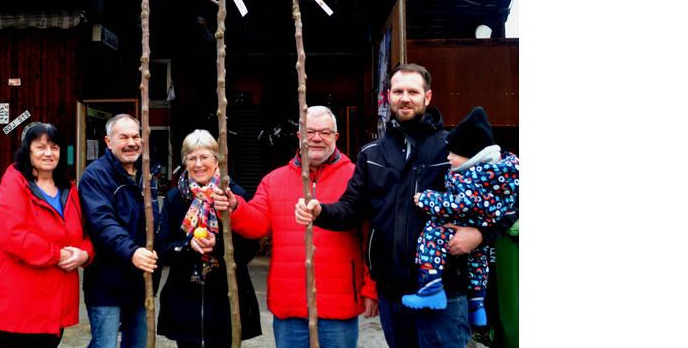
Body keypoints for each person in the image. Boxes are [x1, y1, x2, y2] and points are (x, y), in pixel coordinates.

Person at [295, 64, 514, 348]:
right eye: (398, 91)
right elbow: (350, 210)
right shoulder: (372, 154)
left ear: (428, 96)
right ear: (388, 96)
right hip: (392, 294)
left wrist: (481, 235)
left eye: (413, 91)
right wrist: (320, 211)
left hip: (446, 292)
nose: (405, 98)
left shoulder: (454, 149)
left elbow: (507, 198)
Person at [213, 106, 378, 348]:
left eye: (325, 132)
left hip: (339, 304)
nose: (317, 138)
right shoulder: (274, 180)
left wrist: (371, 289)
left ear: (336, 137)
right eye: (310, 132)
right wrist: (235, 206)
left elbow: (371, 239)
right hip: (289, 303)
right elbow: (257, 224)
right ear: (299, 136)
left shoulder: (357, 178)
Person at [400, 106, 519, 329]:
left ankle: (431, 288)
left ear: (472, 157)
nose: (448, 157)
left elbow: (458, 204)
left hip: (458, 227)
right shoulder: (498, 174)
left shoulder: (473, 178)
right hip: (478, 233)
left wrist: (426, 199)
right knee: (478, 261)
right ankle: (477, 306)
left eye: (453, 154)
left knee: (431, 235)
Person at [0, 122, 94, 348]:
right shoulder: (15, 183)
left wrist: (85, 255)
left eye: (54, 147)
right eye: (41, 147)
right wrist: (57, 255)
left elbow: (86, 234)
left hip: (56, 303)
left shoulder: (68, 189)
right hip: (20, 303)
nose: (49, 153)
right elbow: (11, 235)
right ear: (27, 150)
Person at [156, 130, 262, 348]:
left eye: (204, 157)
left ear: (217, 160)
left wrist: (219, 245)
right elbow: (163, 248)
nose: (198, 164)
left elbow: (250, 248)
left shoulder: (233, 195)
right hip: (185, 302)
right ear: (184, 162)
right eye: (191, 158)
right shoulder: (175, 198)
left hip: (226, 301)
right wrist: (188, 246)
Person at [77, 113, 160, 348]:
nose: (131, 143)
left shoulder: (146, 172)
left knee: (138, 344)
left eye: (135, 136)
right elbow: (102, 223)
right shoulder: (95, 175)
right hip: (107, 283)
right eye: (123, 137)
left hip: (142, 282)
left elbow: (154, 221)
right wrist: (132, 251)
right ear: (108, 141)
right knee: (105, 344)